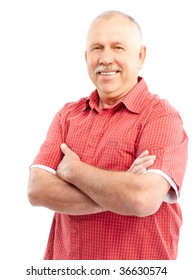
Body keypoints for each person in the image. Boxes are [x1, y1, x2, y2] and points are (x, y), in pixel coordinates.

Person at [27, 10, 188, 260]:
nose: (106, 58)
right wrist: (120, 189)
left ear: (140, 55)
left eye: (118, 47)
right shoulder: (67, 116)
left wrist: (74, 172)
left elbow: (142, 198)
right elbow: (37, 189)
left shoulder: (161, 117)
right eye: (97, 48)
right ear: (86, 57)